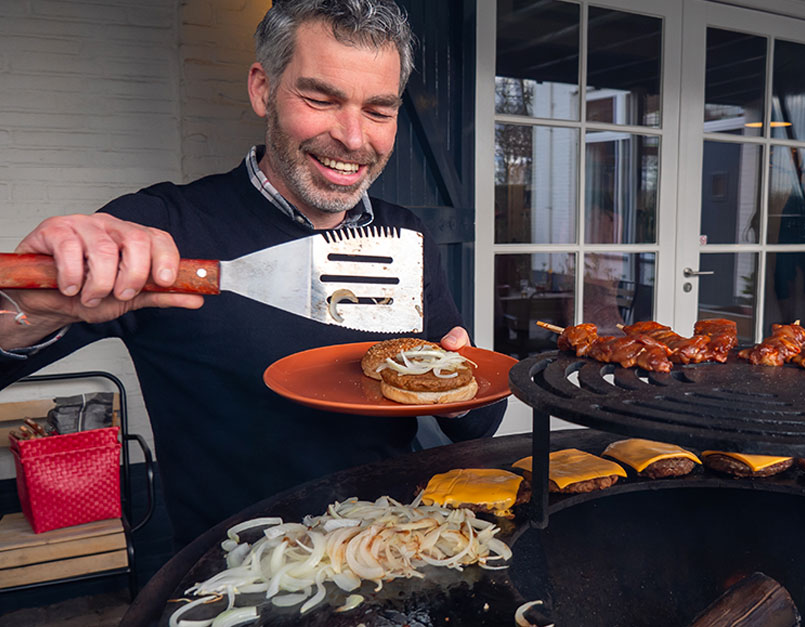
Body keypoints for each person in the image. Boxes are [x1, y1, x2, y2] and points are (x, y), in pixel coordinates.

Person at [0, 0, 504, 548]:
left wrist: (461, 383)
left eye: (379, 110)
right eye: (321, 98)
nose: (355, 139)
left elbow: (477, 423)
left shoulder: (402, 237)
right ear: (263, 88)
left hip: (392, 549)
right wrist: (32, 309)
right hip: (233, 571)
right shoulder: (163, 230)